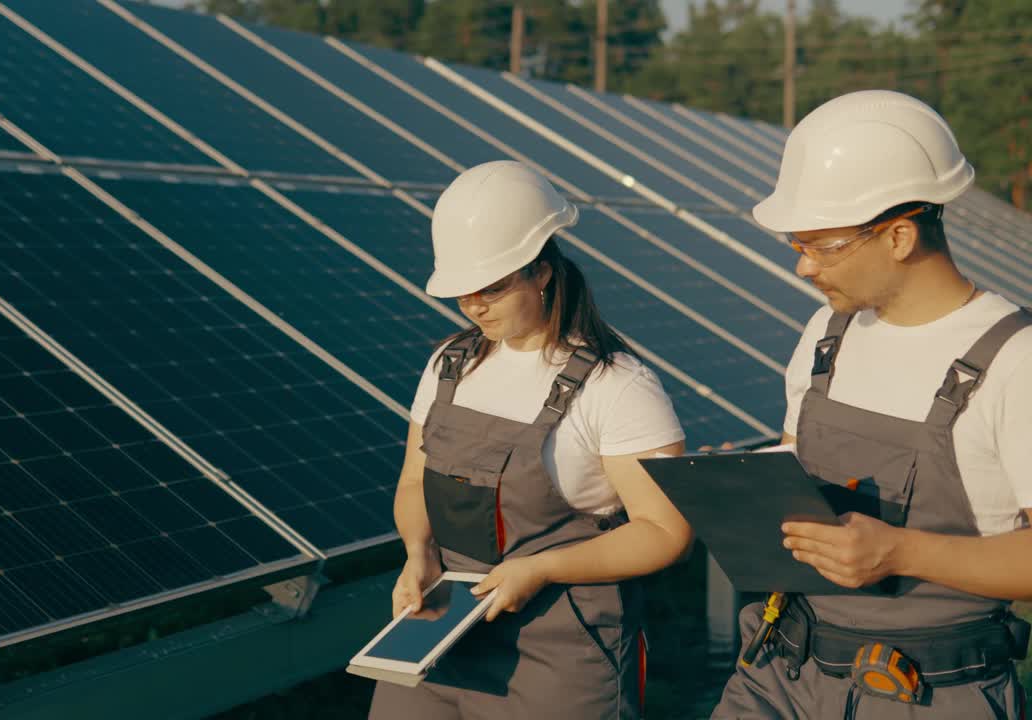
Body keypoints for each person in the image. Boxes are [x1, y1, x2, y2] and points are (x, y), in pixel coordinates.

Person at [712, 90, 1032, 719]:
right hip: (782, 671)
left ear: (899, 236)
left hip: (926, 693)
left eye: (821, 247)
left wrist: (900, 552)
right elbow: (801, 469)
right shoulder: (827, 336)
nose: (803, 268)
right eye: (795, 245)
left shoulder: (1015, 360)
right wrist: (750, 487)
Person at [367, 160, 691, 719]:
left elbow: (665, 531)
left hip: (561, 651)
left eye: (490, 288)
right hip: (444, 631)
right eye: (462, 292)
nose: (474, 306)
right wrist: (417, 555)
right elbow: (416, 479)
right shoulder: (449, 365)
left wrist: (541, 568)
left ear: (541, 271)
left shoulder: (617, 386)